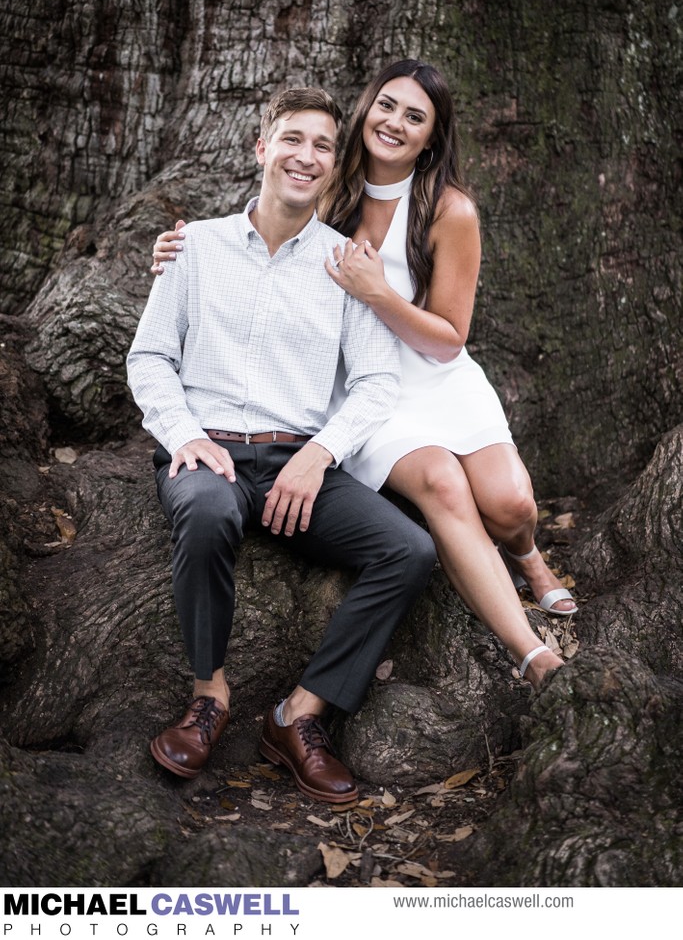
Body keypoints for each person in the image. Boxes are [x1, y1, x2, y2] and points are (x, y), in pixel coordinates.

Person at [151, 62, 576, 687]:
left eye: (415, 116)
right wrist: (180, 248)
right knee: (443, 485)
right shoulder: (330, 186)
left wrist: (378, 294)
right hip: (356, 382)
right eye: (386, 106)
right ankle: (531, 651)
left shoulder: (449, 209)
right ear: (365, 110)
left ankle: (528, 557)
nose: (395, 123)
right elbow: (264, 230)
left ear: (432, 137)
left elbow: (451, 337)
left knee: (511, 504)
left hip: (433, 367)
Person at [127, 86, 437, 802]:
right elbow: (148, 359)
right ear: (261, 148)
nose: (306, 156)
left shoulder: (345, 264)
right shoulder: (194, 246)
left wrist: (319, 451)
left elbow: (374, 381)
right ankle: (209, 694)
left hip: (300, 458)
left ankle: (299, 714)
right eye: (292, 139)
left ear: (333, 166)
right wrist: (185, 435)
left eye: (322, 146)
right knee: (205, 510)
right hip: (209, 450)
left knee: (409, 549)